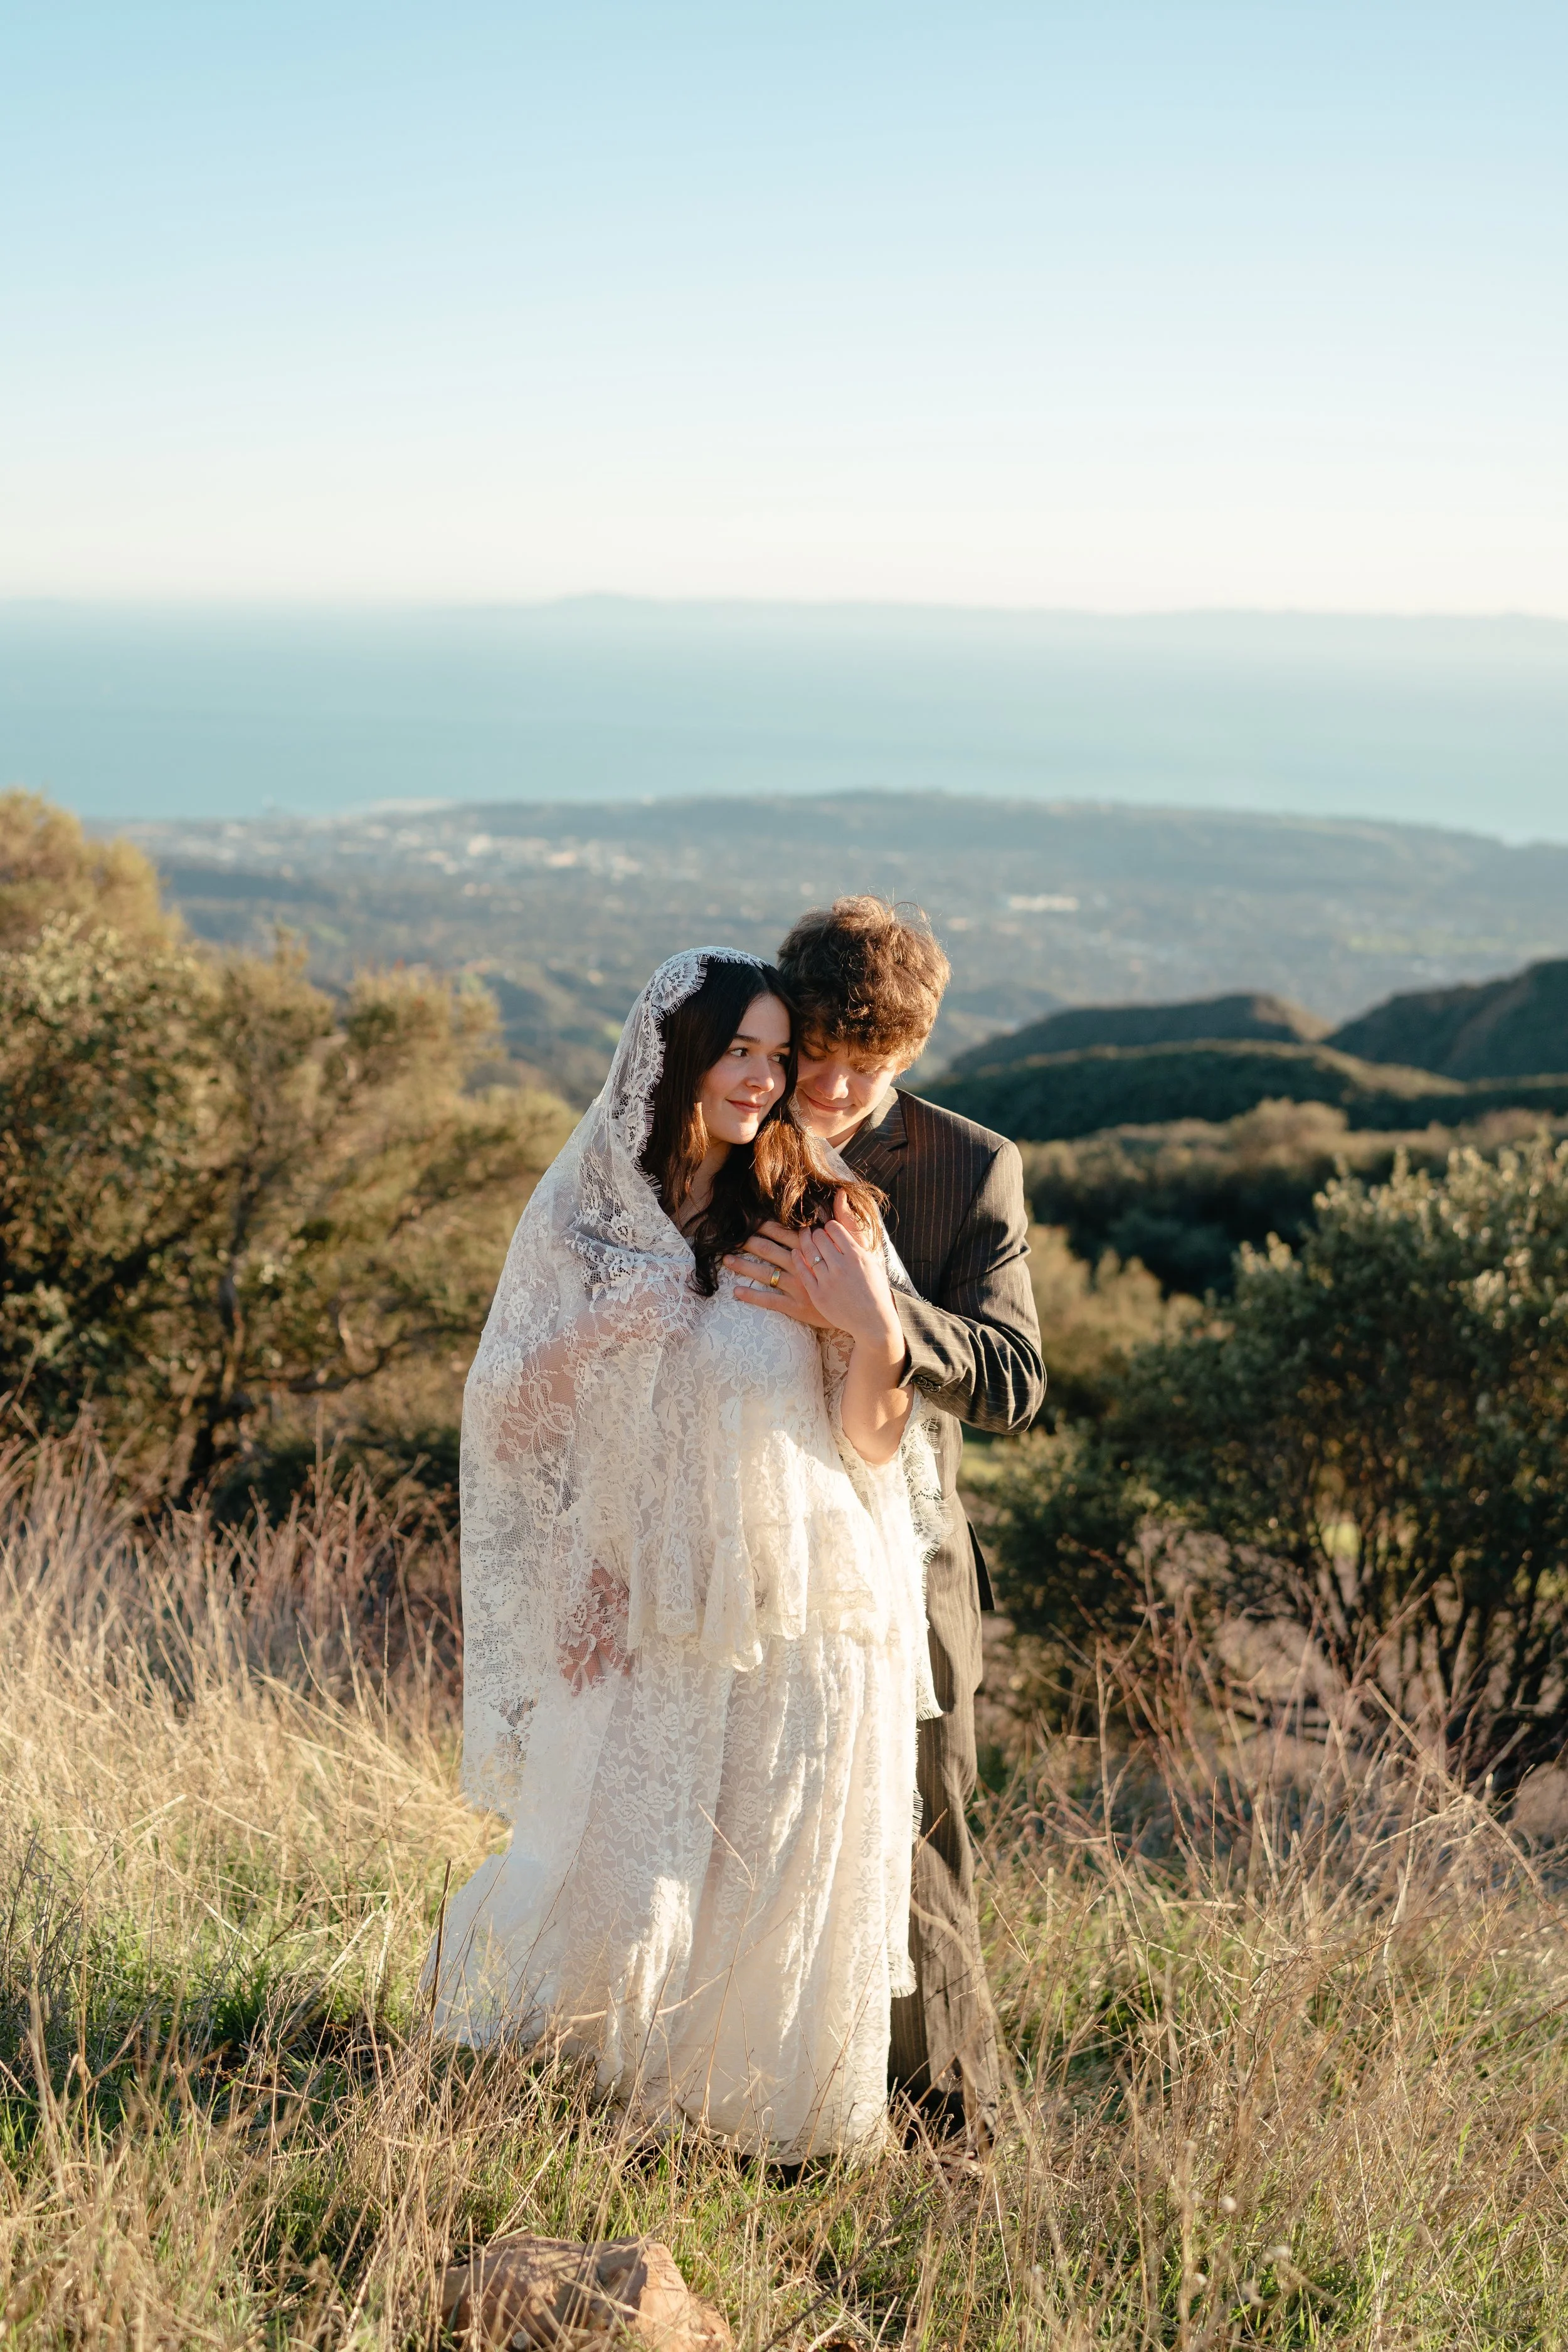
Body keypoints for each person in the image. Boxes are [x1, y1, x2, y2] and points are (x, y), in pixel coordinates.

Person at [426, 947, 945, 2160]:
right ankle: (599, 2124)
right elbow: (508, 1415)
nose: (766, 1078)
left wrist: (871, 1327)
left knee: (772, 1876)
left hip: (807, 1607)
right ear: (674, 1057)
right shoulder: (593, 1218)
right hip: (649, 1597)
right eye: (741, 1051)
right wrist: (611, 1327)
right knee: (632, 1871)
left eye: (778, 1054)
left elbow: (874, 1441)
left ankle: (757, 2140)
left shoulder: (821, 1207)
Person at [724, 898, 1045, 2147]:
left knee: (917, 1842)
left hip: (907, 1567)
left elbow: (1015, 1377)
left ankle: (952, 2128)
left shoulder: (970, 1166)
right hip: (753, 1545)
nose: (841, 1089)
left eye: (877, 1067)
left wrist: (876, 1316)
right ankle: (771, 2096)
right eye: (820, 1058)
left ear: (913, 1056)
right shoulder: (728, 1129)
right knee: (754, 1824)